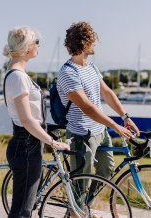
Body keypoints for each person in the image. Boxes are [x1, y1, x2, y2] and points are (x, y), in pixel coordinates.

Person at [57, 21, 140, 181]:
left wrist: (125, 117)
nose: (95, 43)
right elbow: (87, 108)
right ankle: (77, 206)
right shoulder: (68, 72)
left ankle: (85, 204)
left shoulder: (91, 67)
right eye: (92, 40)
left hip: (100, 131)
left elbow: (107, 93)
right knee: (81, 182)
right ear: (83, 43)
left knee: (107, 171)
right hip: (81, 134)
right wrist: (115, 126)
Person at [3, 26, 69, 218]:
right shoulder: (17, 77)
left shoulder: (19, 75)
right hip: (26, 146)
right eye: (36, 41)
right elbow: (26, 120)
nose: (39, 45)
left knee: (26, 208)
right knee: (21, 212)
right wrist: (52, 142)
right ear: (26, 47)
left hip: (28, 145)